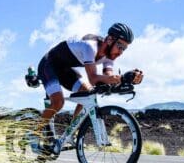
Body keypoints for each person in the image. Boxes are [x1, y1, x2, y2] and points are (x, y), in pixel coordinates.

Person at [35, 22, 144, 153]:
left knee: (87, 93)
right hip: (49, 64)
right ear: (109, 39)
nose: (121, 52)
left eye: (124, 49)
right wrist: (119, 78)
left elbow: (107, 78)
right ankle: (33, 133)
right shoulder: (90, 47)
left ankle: (70, 134)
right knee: (58, 102)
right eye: (120, 46)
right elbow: (93, 78)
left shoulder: (109, 57)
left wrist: (128, 79)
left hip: (65, 69)